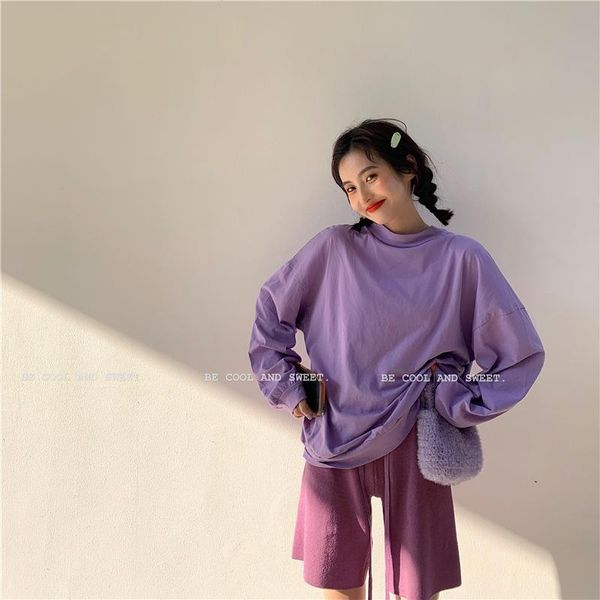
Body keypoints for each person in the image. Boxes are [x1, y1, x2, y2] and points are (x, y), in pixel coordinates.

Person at [247, 118, 545, 600]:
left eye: (370, 176)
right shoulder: (333, 249)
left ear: (407, 169)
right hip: (335, 434)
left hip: (416, 436)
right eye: (349, 187)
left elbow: (519, 356)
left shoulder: (462, 259)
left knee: (416, 589)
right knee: (338, 585)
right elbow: (269, 314)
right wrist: (288, 386)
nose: (362, 195)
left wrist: (455, 402)